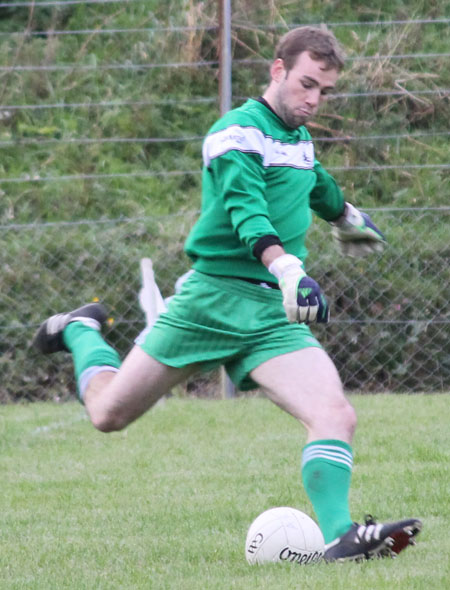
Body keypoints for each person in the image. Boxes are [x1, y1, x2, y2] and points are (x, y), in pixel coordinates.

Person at [33, 26, 421, 562]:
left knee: (335, 414)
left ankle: (342, 537)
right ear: (278, 70)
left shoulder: (299, 139)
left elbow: (314, 182)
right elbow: (246, 209)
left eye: (325, 91)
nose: (313, 99)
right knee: (108, 414)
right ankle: (80, 330)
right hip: (210, 300)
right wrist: (287, 269)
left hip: (269, 313)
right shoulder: (234, 133)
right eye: (307, 84)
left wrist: (347, 216)